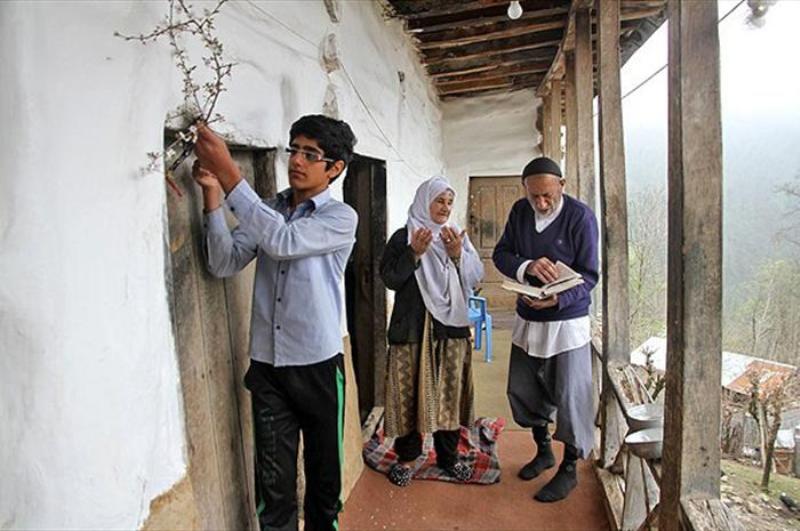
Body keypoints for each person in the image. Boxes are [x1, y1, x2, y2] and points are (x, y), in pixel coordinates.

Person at [192, 115, 358, 530]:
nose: (297, 160)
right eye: (294, 149)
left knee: (324, 486)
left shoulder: (340, 218)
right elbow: (223, 261)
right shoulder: (267, 209)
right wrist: (214, 196)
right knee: (274, 487)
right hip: (268, 368)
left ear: (334, 168)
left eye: (311, 154)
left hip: (318, 365)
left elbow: (283, 242)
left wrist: (230, 175)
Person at [492, 156, 599, 502]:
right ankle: (543, 451)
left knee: (570, 395)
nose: (540, 203)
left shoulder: (580, 217)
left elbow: (590, 275)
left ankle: (569, 468)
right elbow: (502, 254)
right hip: (528, 316)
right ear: (525, 190)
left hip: (566, 323)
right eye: (534, 196)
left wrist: (558, 300)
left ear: (562, 187)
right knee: (524, 388)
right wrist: (526, 266)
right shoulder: (520, 213)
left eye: (547, 196)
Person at [379, 175, 484, 487]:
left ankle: (448, 458)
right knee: (409, 394)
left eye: (449, 202)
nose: (445, 207)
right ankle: (408, 458)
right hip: (412, 329)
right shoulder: (403, 237)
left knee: (449, 395)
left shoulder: (456, 237)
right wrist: (413, 253)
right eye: (440, 200)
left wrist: (456, 255)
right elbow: (390, 279)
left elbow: (474, 279)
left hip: (449, 330)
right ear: (425, 201)